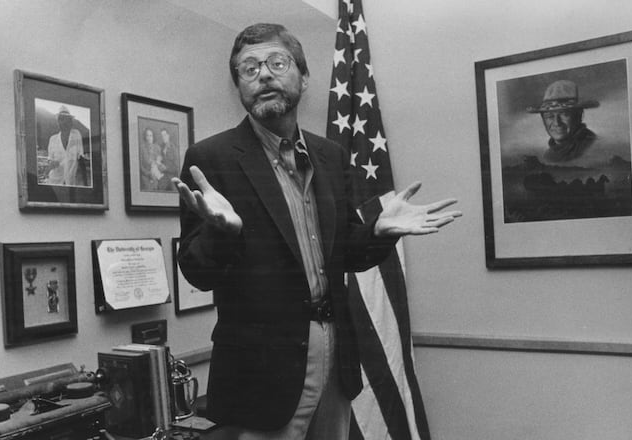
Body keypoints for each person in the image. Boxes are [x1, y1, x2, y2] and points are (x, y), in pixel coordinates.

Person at [171, 23, 461, 440]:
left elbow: (347, 253)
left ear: (303, 77)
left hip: (336, 354)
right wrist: (223, 233)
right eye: (248, 69)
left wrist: (379, 231)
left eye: (277, 62)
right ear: (239, 87)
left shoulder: (330, 156)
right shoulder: (210, 158)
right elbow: (196, 272)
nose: (264, 75)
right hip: (262, 375)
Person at [526, 79, 600, 163]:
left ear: (579, 116)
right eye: (549, 116)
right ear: (543, 120)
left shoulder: (592, 147)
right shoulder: (549, 155)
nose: (557, 123)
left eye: (564, 114)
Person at [46, 106, 85, 186]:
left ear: (70, 121)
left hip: (70, 182)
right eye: (61, 119)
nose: (64, 122)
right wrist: (51, 164)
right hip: (55, 181)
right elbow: (50, 159)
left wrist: (85, 182)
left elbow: (81, 158)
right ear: (58, 122)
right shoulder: (52, 139)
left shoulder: (76, 135)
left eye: (67, 119)